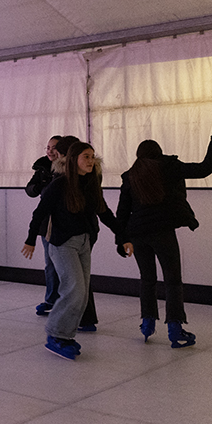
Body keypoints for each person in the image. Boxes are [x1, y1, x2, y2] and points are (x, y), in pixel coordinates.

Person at [116, 126, 212, 347]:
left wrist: (121, 239)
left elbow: (122, 211)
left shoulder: (130, 175)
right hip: (162, 233)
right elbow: (204, 169)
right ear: (159, 152)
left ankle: (147, 324)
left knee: (147, 279)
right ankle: (175, 330)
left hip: (137, 234)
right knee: (172, 280)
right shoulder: (169, 167)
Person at [23, 142, 130, 360]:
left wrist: (123, 237)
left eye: (92, 157)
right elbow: (39, 213)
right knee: (75, 290)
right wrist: (30, 239)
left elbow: (104, 212)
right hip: (62, 243)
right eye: (86, 157)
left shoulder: (90, 183)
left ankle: (65, 335)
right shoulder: (59, 184)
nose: (91, 161)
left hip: (84, 242)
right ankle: (55, 335)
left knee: (80, 293)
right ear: (74, 160)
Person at [26, 136, 62, 315]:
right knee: (50, 263)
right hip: (46, 221)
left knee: (63, 265)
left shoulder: (67, 169)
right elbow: (30, 189)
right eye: (48, 147)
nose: (49, 151)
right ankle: (51, 299)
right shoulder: (42, 167)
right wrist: (40, 187)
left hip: (63, 222)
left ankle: (65, 301)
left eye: (54, 147)